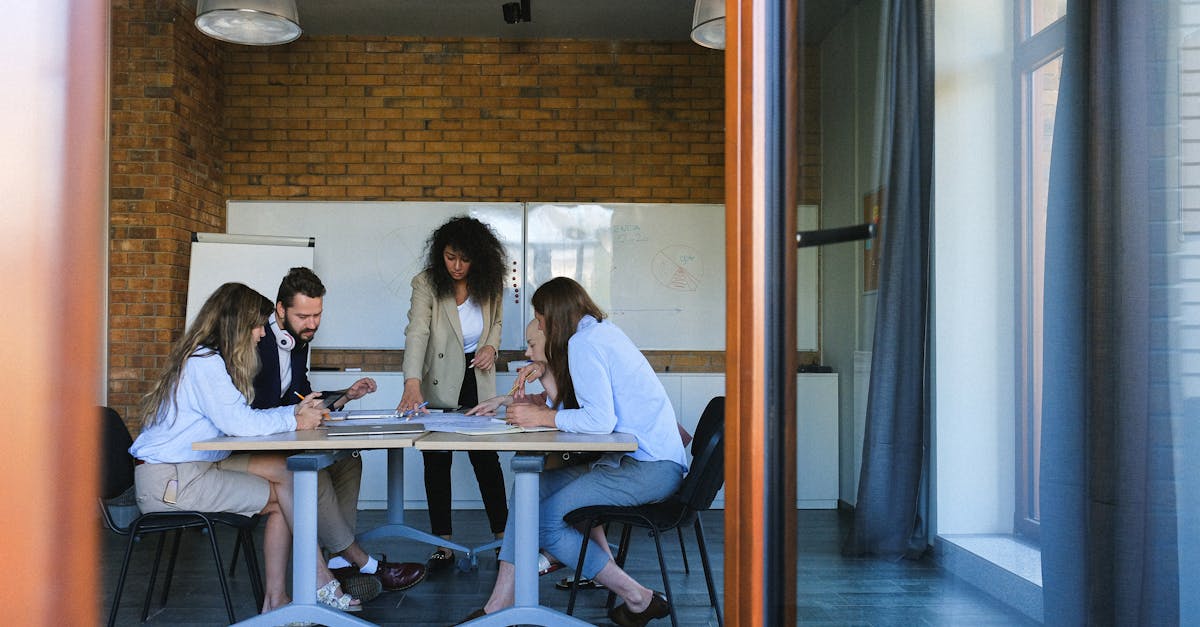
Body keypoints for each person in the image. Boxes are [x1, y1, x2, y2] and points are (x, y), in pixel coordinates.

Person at [457, 277, 687, 626]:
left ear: (555, 316)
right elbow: (590, 409)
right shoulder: (599, 333)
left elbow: (599, 419)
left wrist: (542, 416)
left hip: (649, 468)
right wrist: (546, 391)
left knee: (548, 524)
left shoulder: (585, 342)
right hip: (636, 461)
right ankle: (500, 602)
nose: (538, 323)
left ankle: (638, 597)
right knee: (528, 487)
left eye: (540, 315)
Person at [129, 282, 361, 614]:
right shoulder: (204, 364)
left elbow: (240, 417)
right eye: (256, 325)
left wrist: (296, 413)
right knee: (284, 496)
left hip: (191, 466)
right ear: (237, 325)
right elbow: (239, 425)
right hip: (171, 483)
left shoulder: (207, 359)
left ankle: (284, 597)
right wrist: (295, 420)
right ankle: (315, 584)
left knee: (286, 477)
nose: (262, 333)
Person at [251, 267, 426, 599]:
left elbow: (302, 395)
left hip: (286, 434)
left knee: (348, 460)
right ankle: (363, 562)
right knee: (314, 471)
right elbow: (254, 409)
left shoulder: (298, 340)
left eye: (317, 315)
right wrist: (297, 414)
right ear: (280, 310)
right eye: (303, 316)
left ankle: (338, 561)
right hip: (259, 444)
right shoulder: (255, 342)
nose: (312, 324)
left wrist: (344, 396)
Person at [397, 215, 509, 570]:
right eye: (450, 257)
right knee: (436, 458)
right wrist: (411, 381)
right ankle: (441, 543)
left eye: (465, 258)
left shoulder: (490, 282)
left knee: (486, 460)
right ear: (439, 255)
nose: (457, 267)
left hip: (477, 375)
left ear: (479, 257)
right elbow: (416, 332)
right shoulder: (426, 283)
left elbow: (497, 324)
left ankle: (503, 539)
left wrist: (491, 346)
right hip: (440, 377)